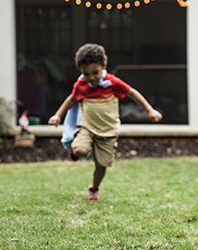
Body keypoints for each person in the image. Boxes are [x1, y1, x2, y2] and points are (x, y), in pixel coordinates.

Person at [49, 43, 162, 201]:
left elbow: (133, 93)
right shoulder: (82, 85)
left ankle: (94, 188)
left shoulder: (112, 83)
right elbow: (71, 99)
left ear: (104, 66)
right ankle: (77, 149)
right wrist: (57, 115)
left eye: (95, 72)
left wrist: (150, 110)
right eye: (86, 74)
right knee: (80, 151)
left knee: (101, 166)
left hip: (108, 131)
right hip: (87, 126)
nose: (92, 78)